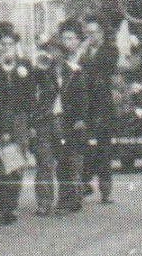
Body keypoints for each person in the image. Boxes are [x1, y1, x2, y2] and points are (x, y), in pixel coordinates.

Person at [0, 24, 33, 225]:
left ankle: (9, 207)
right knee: (1, 164)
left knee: (16, 164)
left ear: (15, 45)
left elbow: (30, 95)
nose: (6, 47)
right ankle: (4, 203)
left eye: (10, 43)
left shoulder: (25, 66)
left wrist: (30, 123)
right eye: (2, 44)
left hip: (19, 119)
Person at [46, 22, 96, 214]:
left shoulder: (74, 71)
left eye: (56, 52)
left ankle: (71, 198)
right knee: (60, 160)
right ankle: (67, 197)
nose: (53, 55)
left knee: (72, 159)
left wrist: (80, 118)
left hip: (70, 119)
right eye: (51, 51)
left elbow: (82, 96)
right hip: (53, 118)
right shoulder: (47, 71)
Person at [80, 17, 118, 203]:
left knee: (104, 149)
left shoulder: (110, 50)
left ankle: (105, 190)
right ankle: (84, 183)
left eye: (93, 32)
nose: (90, 36)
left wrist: (83, 54)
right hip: (86, 105)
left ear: (101, 33)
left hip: (102, 106)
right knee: (84, 146)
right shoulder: (83, 52)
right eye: (87, 32)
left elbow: (102, 68)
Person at [29, 45, 59, 216]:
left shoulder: (69, 70)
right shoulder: (40, 73)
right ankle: (44, 202)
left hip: (63, 122)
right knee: (45, 163)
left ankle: (66, 200)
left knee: (63, 162)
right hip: (44, 123)